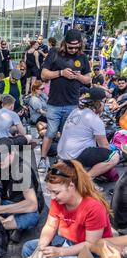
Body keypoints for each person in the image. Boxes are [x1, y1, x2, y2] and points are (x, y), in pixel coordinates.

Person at [22, 160, 113, 258]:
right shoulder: (58, 200)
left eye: (56, 192)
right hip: (68, 242)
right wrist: (41, 247)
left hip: (94, 251)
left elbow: (91, 245)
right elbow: (50, 226)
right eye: (50, 192)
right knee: (29, 248)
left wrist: (60, 252)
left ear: (71, 185)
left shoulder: (94, 207)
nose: (52, 197)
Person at [38, 29, 92, 173]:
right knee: (50, 132)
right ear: (64, 44)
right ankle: (43, 159)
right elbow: (43, 74)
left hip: (72, 103)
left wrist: (78, 77)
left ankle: (62, 160)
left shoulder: (82, 57)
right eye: (70, 47)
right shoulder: (55, 53)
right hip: (54, 102)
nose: (73, 50)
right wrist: (61, 73)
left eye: (76, 47)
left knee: (67, 134)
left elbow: (88, 79)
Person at [57, 87, 120, 180]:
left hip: (62, 154)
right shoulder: (94, 119)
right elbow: (105, 147)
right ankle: (85, 179)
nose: (105, 104)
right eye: (104, 101)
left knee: (96, 150)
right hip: (73, 156)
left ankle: (83, 172)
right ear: (99, 103)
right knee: (114, 157)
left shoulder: (76, 111)